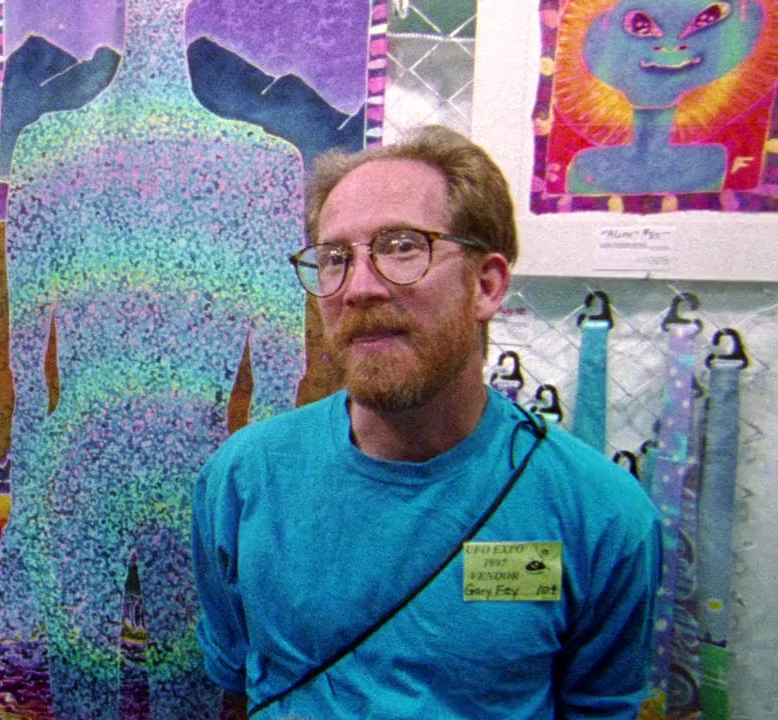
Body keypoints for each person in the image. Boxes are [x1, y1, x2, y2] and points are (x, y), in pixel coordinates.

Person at [191, 125, 661, 719]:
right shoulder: (243, 479)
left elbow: (598, 707)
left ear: (485, 286)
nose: (359, 288)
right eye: (335, 258)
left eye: (402, 247)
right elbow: (238, 681)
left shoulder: (598, 514)